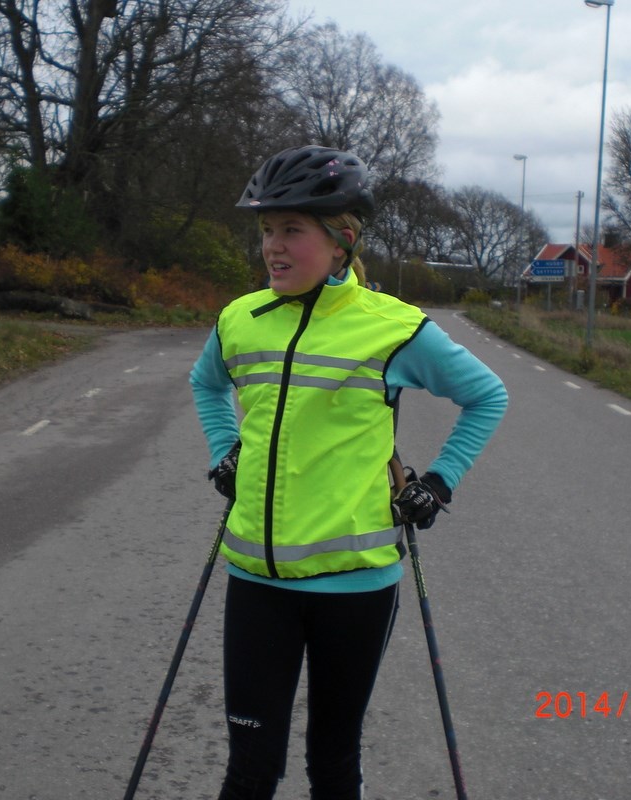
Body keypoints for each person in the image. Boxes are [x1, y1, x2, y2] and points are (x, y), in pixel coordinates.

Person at [190, 144, 508, 800]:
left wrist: (438, 482)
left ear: (342, 241)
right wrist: (226, 449)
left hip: (356, 588)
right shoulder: (240, 319)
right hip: (256, 582)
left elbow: (486, 395)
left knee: (332, 764)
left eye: (292, 230)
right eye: (266, 230)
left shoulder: (393, 328)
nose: (273, 247)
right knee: (248, 769)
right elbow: (206, 383)